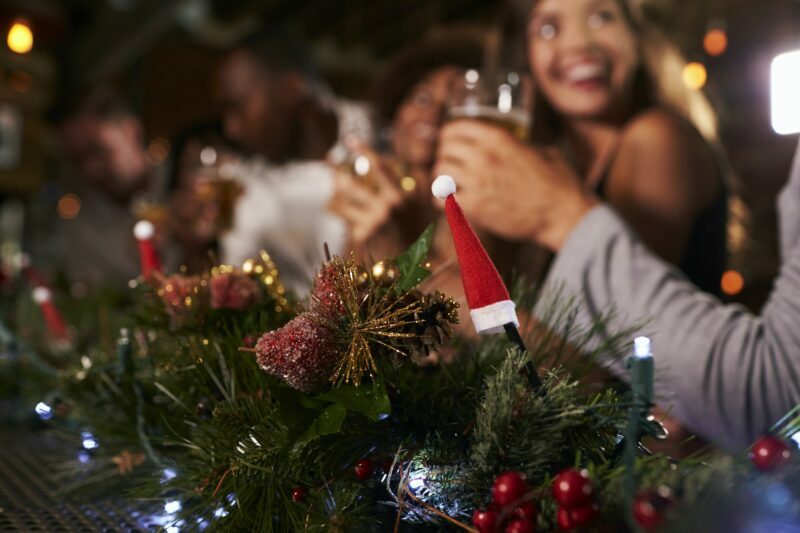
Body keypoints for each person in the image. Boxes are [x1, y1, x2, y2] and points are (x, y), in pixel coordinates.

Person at [435, 0, 729, 296]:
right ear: (526, 58)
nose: (579, 43)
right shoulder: (560, 167)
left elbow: (617, 318)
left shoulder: (658, 137)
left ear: (636, 41)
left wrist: (438, 289)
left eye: (602, 17)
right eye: (548, 28)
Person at [328, 27, 485, 262]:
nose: (433, 113)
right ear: (395, 112)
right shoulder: (361, 188)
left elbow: (477, 295)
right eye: (422, 98)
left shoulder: (474, 207)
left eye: (453, 105)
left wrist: (404, 253)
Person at [46, 87, 170, 284]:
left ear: (132, 132)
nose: (89, 169)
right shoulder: (83, 226)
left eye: (97, 150)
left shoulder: (182, 183)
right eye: (77, 159)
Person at [166, 122, 242, 273]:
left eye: (216, 164)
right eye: (193, 167)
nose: (202, 180)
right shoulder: (173, 232)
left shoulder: (251, 216)